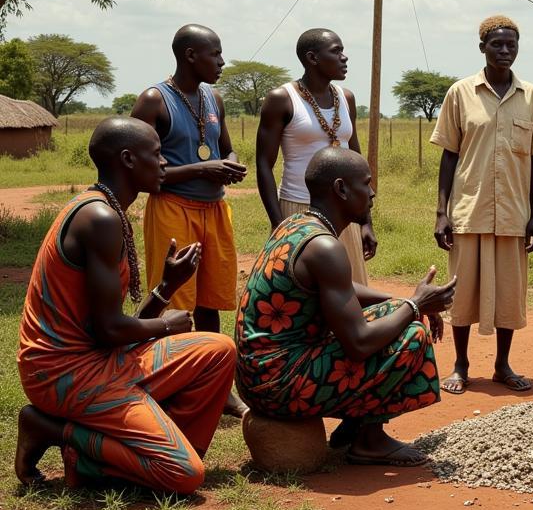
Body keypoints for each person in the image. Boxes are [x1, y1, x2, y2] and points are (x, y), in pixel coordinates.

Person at [15, 118, 236, 493]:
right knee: (186, 475)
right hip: (62, 374)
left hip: (98, 360)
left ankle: (150, 451)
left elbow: (111, 331)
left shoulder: (105, 208)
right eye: (156, 154)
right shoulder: (99, 218)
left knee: (220, 350)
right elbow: (111, 331)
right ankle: (56, 432)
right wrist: (167, 324)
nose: (165, 162)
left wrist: (166, 287)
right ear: (129, 160)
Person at [236, 147, 454, 466]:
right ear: (341, 189)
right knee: (412, 336)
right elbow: (359, 343)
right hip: (275, 386)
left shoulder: (296, 225)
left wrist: (401, 302)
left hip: (256, 376)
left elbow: (338, 287)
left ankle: (354, 427)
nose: (372, 192)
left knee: (397, 316)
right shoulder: (325, 247)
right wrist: (415, 304)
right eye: (366, 183)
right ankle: (370, 440)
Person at [431, 15, 533, 395]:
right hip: (469, 209)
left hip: (514, 214)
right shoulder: (460, 93)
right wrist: (442, 212)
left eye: (511, 45)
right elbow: (449, 156)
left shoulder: (532, 96)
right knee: (462, 291)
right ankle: (461, 365)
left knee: (508, 294)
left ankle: (503, 365)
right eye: (497, 44)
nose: (505, 51)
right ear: (482, 47)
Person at [132, 24, 247, 416]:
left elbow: (226, 150)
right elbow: (147, 175)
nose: (221, 61)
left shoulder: (213, 97)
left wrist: (228, 165)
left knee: (211, 301)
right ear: (190, 56)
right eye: (215, 54)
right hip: (173, 210)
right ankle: (174, 387)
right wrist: (203, 168)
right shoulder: (153, 101)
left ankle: (216, 386)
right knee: (175, 303)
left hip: (214, 209)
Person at [255, 28, 376, 282]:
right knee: (305, 294)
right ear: (312, 58)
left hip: (344, 211)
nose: (345, 58)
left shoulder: (346, 98)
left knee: (351, 293)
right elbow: (264, 165)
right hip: (299, 208)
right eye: (336, 51)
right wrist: (279, 226)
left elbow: (356, 160)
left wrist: (365, 221)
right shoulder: (282, 99)